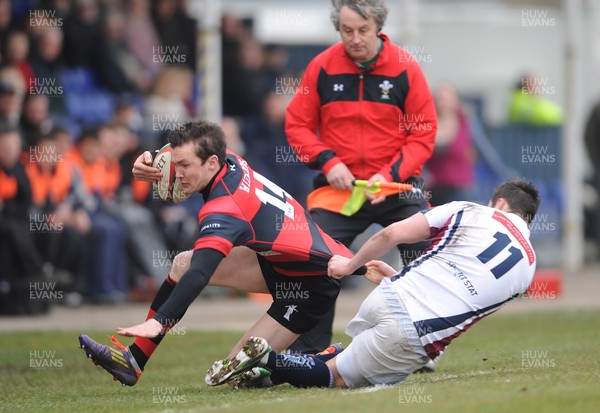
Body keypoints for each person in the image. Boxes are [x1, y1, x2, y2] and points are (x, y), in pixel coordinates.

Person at [78, 120, 358, 387]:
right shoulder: (228, 159)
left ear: (211, 162)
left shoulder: (224, 209)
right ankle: (133, 361)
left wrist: (159, 321)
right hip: (275, 263)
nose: (178, 174)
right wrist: (151, 156)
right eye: (175, 164)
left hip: (310, 285)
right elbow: (188, 148)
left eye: (184, 166)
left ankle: (322, 360)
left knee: (236, 371)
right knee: (182, 263)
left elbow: (202, 272)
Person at [206, 178, 540, 389]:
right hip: (414, 335)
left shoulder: (468, 209)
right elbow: (464, 300)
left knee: (345, 355)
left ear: (498, 203)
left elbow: (391, 234)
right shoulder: (529, 269)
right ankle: (269, 361)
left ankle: (266, 371)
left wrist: (355, 266)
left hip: (389, 295)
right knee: (336, 378)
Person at [284, 0, 437, 353]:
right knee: (315, 257)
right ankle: (312, 352)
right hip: (339, 191)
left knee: (422, 251)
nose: (355, 39)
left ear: (378, 26)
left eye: (363, 31)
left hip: (396, 187)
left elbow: (423, 132)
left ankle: (422, 343)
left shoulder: (405, 68)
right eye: (347, 31)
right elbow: (297, 125)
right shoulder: (321, 67)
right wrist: (327, 161)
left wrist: (390, 174)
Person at [425, 82, 475, 206]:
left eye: (447, 98)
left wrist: (503, 172)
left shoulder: (465, 120)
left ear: (456, 100)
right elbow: (417, 153)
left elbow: (483, 151)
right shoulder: (427, 122)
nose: (443, 102)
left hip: (460, 189)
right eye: (440, 98)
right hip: (433, 190)